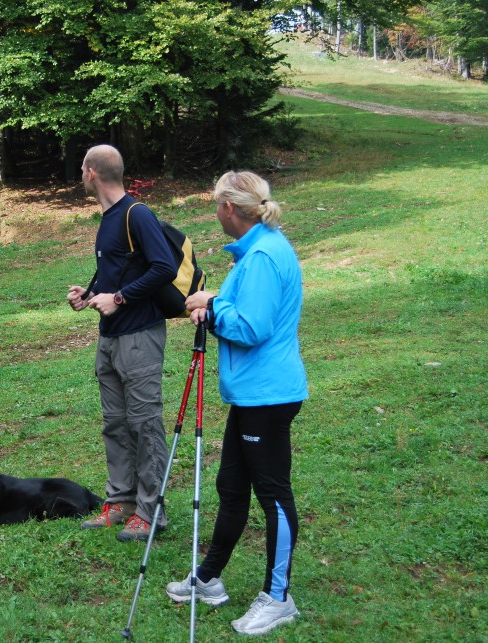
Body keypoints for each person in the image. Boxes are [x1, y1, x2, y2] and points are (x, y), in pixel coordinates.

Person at [165, 171, 308, 636]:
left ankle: (278, 597)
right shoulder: (257, 251)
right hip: (253, 394)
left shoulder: (264, 256)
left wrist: (213, 305)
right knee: (231, 487)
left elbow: (252, 327)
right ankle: (208, 579)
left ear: (229, 208)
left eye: (215, 204)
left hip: (268, 395)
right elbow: (242, 311)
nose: (214, 211)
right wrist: (214, 302)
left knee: (273, 494)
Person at [66, 144, 177, 542]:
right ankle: (122, 501)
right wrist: (91, 292)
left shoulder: (137, 213)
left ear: (93, 172)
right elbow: (121, 268)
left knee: (145, 424)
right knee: (115, 423)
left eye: (82, 167)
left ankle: (151, 512)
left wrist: (120, 298)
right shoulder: (109, 218)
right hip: (110, 338)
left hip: (140, 336)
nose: (80, 173)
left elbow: (164, 267)